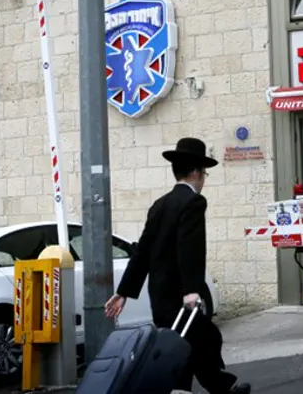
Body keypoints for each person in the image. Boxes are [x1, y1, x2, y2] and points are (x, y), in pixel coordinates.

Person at [104, 137, 251, 394]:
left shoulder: (159, 205)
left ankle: (221, 387)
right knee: (202, 339)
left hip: (160, 297)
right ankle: (204, 388)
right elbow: (189, 247)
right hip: (179, 296)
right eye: (204, 173)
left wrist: (124, 291)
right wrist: (192, 290)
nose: (204, 178)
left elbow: (143, 251)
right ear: (195, 172)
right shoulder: (193, 202)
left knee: (187, 343)